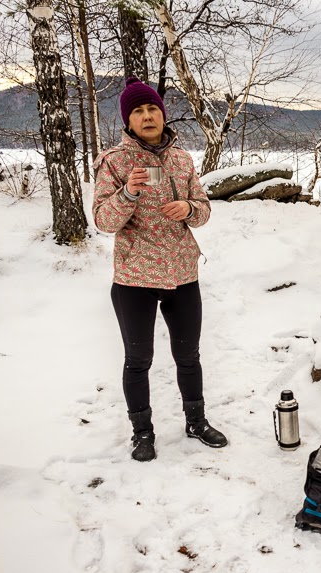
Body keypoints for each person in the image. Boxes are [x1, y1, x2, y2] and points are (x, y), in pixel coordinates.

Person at [93, 77, 227, 462]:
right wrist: (128, 193)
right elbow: (103, 220)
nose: (147, 115)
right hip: (134, 278)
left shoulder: (182, 158)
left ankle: (196, 421)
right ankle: (142, 432)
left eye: (152, 108)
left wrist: (188, 209)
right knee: (138, 360)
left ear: (162, 114)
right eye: (138, 111)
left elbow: (203, 210)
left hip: (182, 273)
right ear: (128, 121)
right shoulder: (114, 162)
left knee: (189, 356)